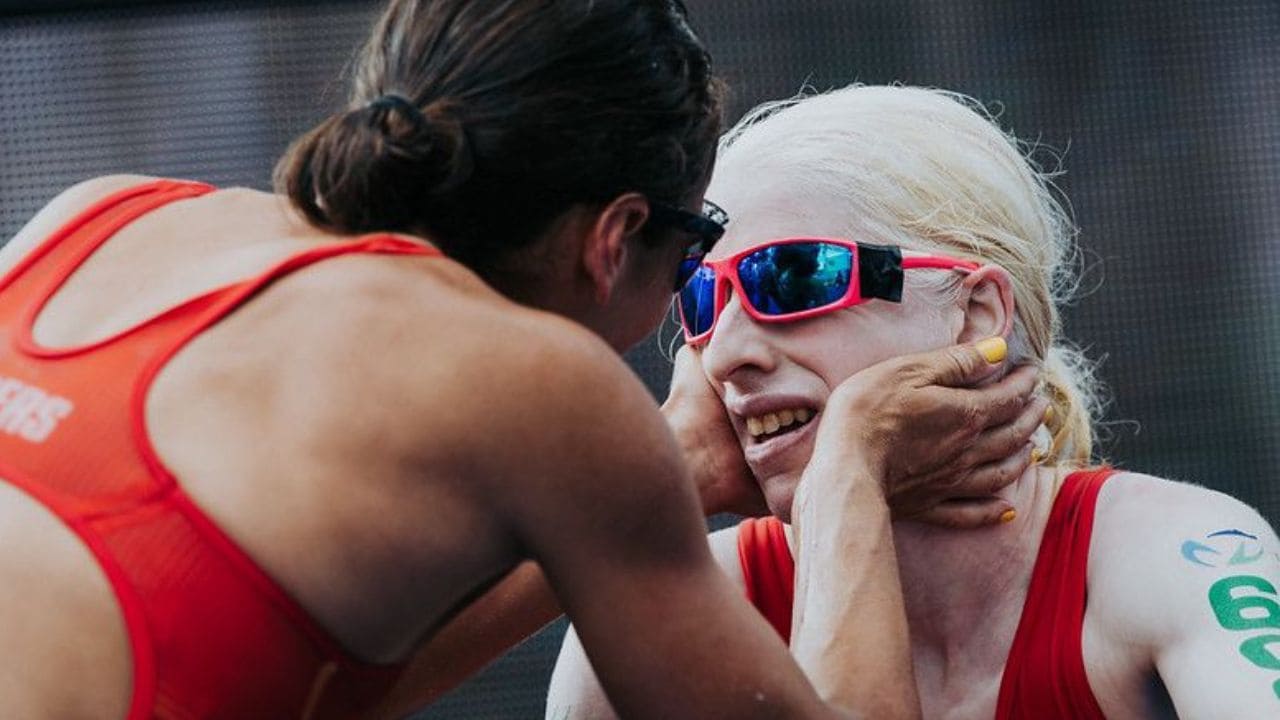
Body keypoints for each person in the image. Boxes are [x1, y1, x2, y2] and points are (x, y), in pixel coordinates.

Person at [0, 3, 1047, 716]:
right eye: (696, 264)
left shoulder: (101, 216)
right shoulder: (544, 383)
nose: (722, 342)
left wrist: (678, 469)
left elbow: (282, 667)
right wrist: (848, 472)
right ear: (615, 237)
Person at [548, 84, 1280, 719]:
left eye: (794, 277)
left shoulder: (1175, 552)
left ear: (975, 315)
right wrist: (696, 469)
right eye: (704, 295)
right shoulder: (671, 612)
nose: (726, 353)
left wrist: (848, 470)